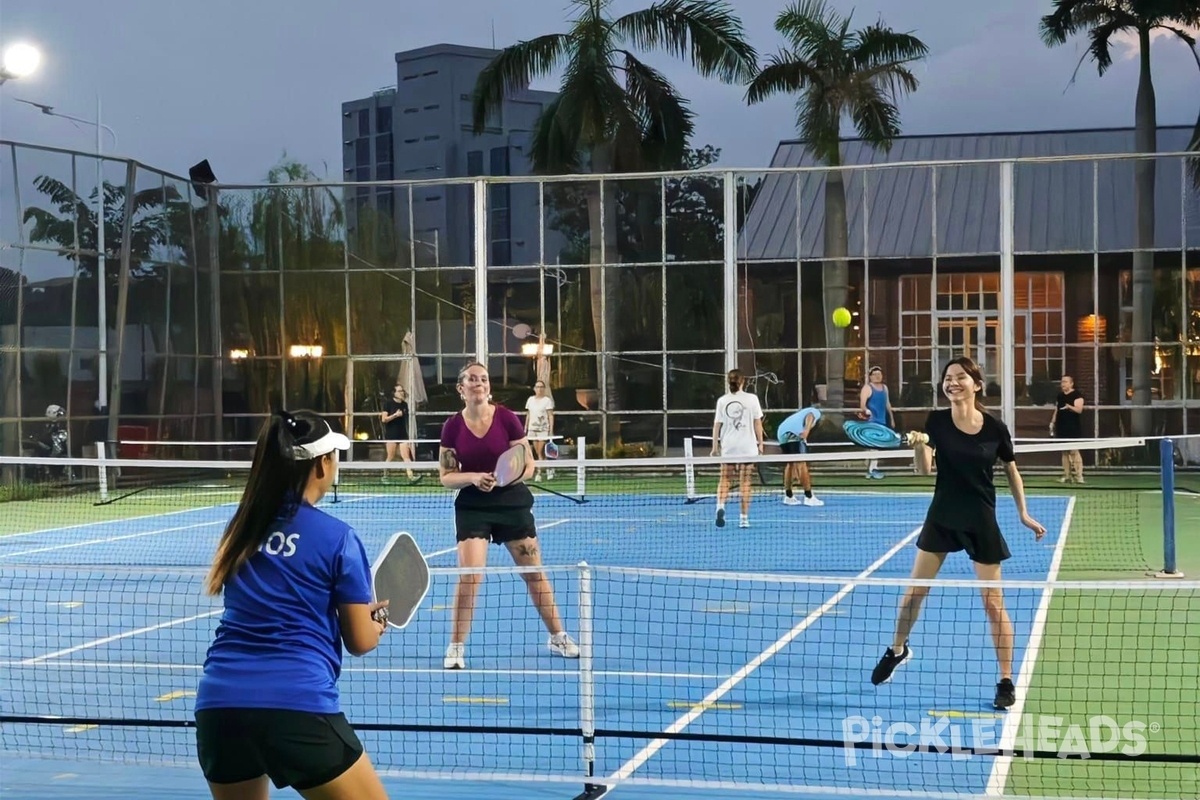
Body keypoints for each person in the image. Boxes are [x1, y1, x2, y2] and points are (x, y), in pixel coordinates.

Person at [194, 410, 391, 800]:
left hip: (219, 708)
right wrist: (378, 621)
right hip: (297, 706)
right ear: (322, 464)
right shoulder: (339, 538)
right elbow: (360, 640)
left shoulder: (241, 527)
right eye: (334, 455)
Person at [870, 357, 1046, 710]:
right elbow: (924, 471)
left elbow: (1012, 471)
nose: (952, 383)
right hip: (942, 516)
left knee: (993, 605)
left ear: (976, 384)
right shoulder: (936, 421)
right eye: (947, 378)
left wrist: (1023, 513)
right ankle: (897, 649)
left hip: (980, 520)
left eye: (960, 377)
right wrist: (921, 445)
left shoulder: (995, 427)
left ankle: (1006, 680)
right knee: (912, 596)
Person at [438, 362, 579, 670]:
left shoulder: (508, 419)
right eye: (472, 380)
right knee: (470, 576)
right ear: (461, 389)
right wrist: (474, 478)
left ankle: (558, 636)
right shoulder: (452, 426)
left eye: (484, 379)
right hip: (473, 505)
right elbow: (446, 476)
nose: (479, 383)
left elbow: (528, 464)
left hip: (512, 502)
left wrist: (508, 479)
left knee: (533, 573)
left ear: (488, 386)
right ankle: (456, 646)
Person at [711, 369, 765, 528]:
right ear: (743, 382)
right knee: (745, 483)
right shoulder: (752, 399)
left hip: (729, 447)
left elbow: (717, 425)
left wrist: (715, 447)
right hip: (747, 448)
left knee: (725, 480)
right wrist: (760, 444)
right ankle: (743, 518)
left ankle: (720, 506)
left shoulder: (722, 400)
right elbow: (757, 423)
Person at [775, 397, 823, 507]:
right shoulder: (815, 412)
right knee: (802, 464)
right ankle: (809, 496)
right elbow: (810, 416)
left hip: (781, 433)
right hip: (794, 434)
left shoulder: (797, 416)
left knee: (790, 463)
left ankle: (788, 496)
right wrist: (806, 430)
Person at [859, 366, 895, 479]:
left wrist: (892, 418)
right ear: (870, 376)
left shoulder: (884, 388)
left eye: (879, 374)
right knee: (874, 446)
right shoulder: (867, 388)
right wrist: (866, 411)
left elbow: (887, 404)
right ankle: (872, 469)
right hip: (871, 421)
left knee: (877, 446)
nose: (877, 376)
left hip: (882, 420)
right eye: (875, 374)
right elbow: (862, 404)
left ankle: (871, 468)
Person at [1050, 375, 1085, 483]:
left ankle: (1079, 476)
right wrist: (1052, 421)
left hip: (1073, 427)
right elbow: (1057, 409)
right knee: (1064, 452)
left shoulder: (1077, 395)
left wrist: (1069, 407)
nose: (1063, 384)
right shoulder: (1060, 396)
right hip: (1062, 426)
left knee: (1074, 451)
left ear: (1071, 383)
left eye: (1065, 382)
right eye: (1062, 382)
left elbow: (1079, 410)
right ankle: (1067, 476)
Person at [381, 384, 418, 483]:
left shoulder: (404, 405)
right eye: (400, 391)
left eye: (402, 391)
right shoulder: (388, 404)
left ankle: (411, 476)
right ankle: (385, 476)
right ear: (394, 393)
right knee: (390, 456)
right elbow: (384, 419)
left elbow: (404, 417)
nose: (402, 393)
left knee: (406, 456)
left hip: (402, 434)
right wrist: (395, 415)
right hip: (391, 434)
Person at [524, 380, 556, 482]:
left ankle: (539, 473)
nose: (539, 389)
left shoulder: (547, 401)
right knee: (537, 452)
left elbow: (550, 415)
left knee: (540, 451)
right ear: (534, 389)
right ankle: (547, 469)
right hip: (532, 429)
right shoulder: (530, 400)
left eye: (541, 387)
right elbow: (528, 414)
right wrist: (525, 427)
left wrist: (551, 430)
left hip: (543, 429)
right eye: (537, 387)